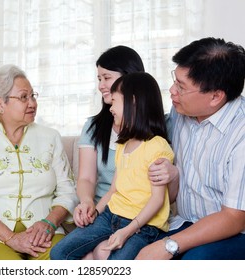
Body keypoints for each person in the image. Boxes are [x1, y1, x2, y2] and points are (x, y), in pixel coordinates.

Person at [136, 37, 245, 260]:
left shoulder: (240, 133)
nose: (172, 91)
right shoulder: (181, 111)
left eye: (181, 87)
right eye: (175, 81)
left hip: (233, 232)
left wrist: (168, 246)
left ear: (216, 96)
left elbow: (234, 217)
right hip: (185, 222)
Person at [50, 72, 174, 260]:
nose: (110, 109)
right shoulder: (123, 145)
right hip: (110, 216)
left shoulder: (157, 146)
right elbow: (113, 190)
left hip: (143, 226)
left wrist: (127, 231)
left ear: (132, 103)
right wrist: (95, 212)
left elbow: (157, 201)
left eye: (114, 101)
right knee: (59, 252)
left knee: (118, 264)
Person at [0, 64, 78, 260]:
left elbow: (68, 191)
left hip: (46, 233)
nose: (32, 103)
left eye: (33, 96)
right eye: (24, 97)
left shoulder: (51, 137)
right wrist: (11, 238)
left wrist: (49, 223)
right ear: (0, 104)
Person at [74, 46, 145, 228]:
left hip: (139, 215)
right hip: (101, 211)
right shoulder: (93, 126)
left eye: (106, 78)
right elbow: (86, 178)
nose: (100, 86)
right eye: (99, 79)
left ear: (130, 78)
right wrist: (87, 202)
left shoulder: (156, 126)